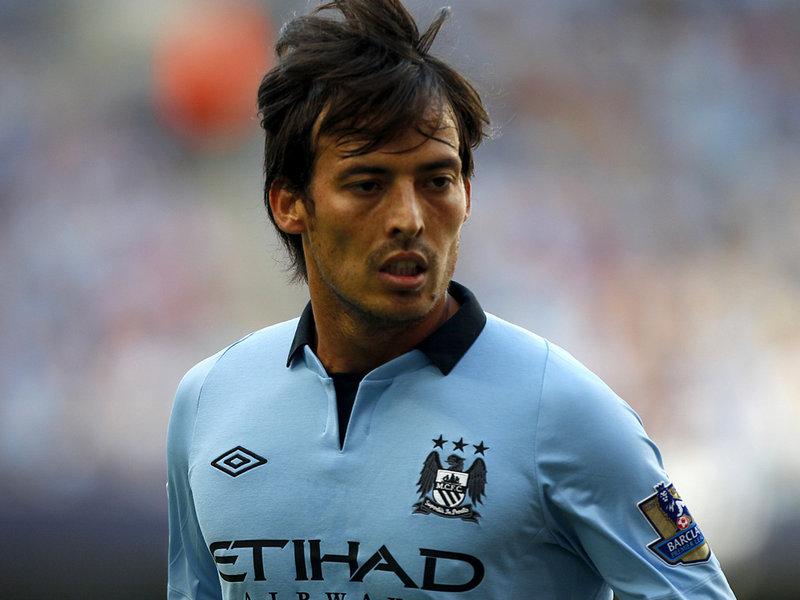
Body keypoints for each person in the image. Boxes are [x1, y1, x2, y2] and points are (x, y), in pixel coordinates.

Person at [167, 1, 736, 598]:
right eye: (368, 183)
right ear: (289, 203)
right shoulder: (208, 401)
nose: (409, 218)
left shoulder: (566, 414)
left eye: (436, 181)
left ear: (466, 193)